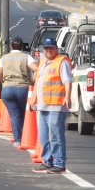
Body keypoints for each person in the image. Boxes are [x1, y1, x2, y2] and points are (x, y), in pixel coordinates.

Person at [30, 37, 73, 174]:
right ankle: (47, 161)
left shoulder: (62, 62)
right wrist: (33, 100)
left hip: (56, 106)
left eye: (51, 48)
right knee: (44, 137)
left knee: (56, 136)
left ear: (57, 49)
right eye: (46, 48)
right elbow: (38, 82)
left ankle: (59, 164)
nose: (49, 51)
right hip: (42, 105)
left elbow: (67, 81)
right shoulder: (43, 62)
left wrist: (67, 96)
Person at [0, 37, 35, 146]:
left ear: (11, 46)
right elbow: (36, 69)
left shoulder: (4, 58)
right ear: (22, 46)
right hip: (23, 88)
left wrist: (4, 82)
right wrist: (32, 81)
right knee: (26, 113)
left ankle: (18, 140)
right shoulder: (27, 57)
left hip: (7, 89)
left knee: (14, 115)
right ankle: (27, 137)